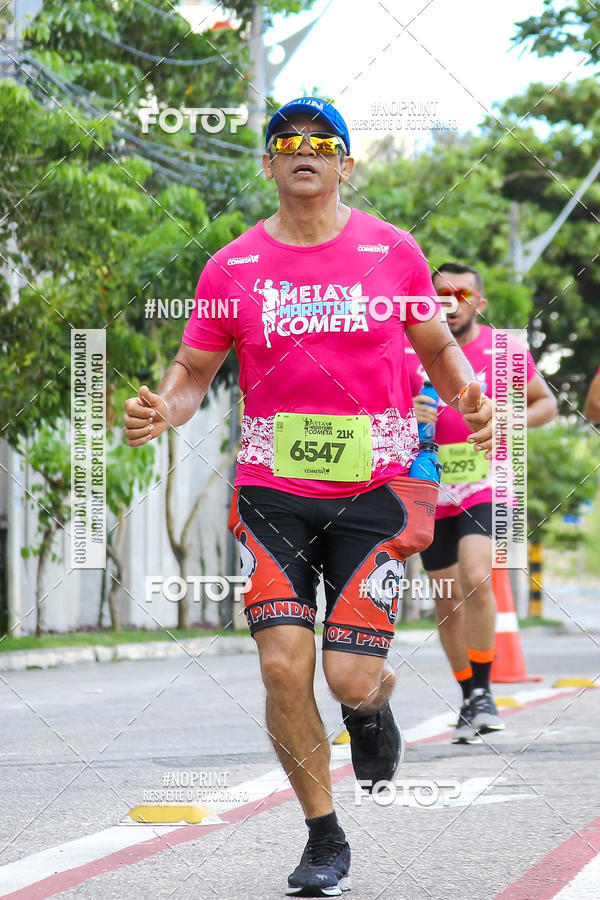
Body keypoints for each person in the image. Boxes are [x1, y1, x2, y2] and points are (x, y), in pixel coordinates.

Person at [124, 99, 494, 897]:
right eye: (287, 141)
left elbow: (435, 346)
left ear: (345, 164)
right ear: (268, 163)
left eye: (323, 143)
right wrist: (163, 409)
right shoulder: (232, 267)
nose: (305, 151)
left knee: (350, 677)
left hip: (377, 490)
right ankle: (324, 834)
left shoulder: (392, 251)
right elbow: (193, 372)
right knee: (282, 666)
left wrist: (467, 391)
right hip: (272, 492)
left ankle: (373, 707)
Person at [411, 262, 557, 744]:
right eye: (440, 296)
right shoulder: (411, 348)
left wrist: (506, 417)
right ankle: (469, 693)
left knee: (476, 575)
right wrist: (409, 414)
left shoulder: (504, 349)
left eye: (462, 295)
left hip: (486, 480)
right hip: (430, 483)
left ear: (480, 303)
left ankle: (484, 692)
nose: (450, 304)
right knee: (446, 596)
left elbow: (546, 404)